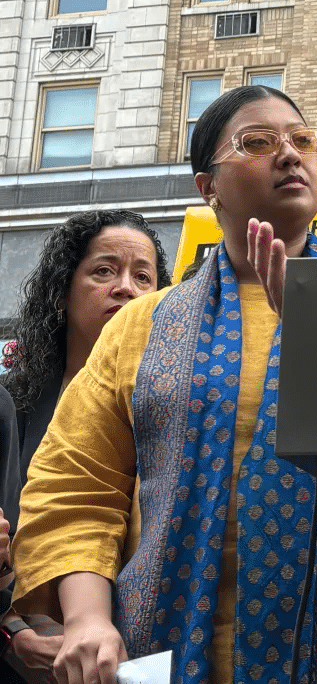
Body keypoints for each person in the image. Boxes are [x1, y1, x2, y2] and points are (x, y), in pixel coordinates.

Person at [12, 86, 317, 684]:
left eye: (303, 140)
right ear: (208, 186)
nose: (290, 154)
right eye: (258, 142)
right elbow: (77, 486)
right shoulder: (140, 328)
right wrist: (85, 621)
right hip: (156, 659)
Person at [1, 210, 171, 682]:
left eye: (144, 277)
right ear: (62, 293)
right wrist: (11, 629)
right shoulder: (10, 408)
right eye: (104, 271)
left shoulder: (176, 413)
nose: (126, 288)